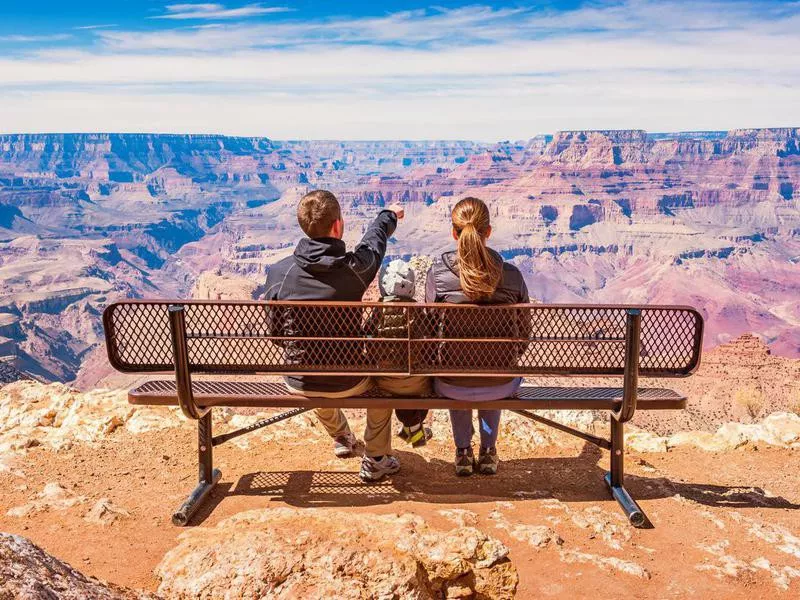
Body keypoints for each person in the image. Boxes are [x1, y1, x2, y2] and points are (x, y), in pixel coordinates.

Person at [264, 189, 405, 482]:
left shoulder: (280, 272)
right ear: (337, 226)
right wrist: (388, 216)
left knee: (314, 376)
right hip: (348, 379)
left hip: (300, 380)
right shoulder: (355, 269)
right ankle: (377, 457)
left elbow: (276, 335)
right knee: (386, 384)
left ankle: (342, 435)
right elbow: (374, 243)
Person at [425, 197, 529, 476]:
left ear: (454, 233)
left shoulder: (438, 275)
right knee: (492, 365)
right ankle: (488, 451)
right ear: (488, 232)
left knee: (455, 366)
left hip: (451, 384)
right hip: (501, 382)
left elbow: (428, 331)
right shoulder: (512, 275)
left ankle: (462, 452)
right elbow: (524, 335)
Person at [373, 259, 432, 447]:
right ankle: (413, 427)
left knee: (396, 377)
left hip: (384, 381)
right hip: (418, 383)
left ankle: (413, 428)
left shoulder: (377, 313)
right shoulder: (418, 314)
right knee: (412, 380)